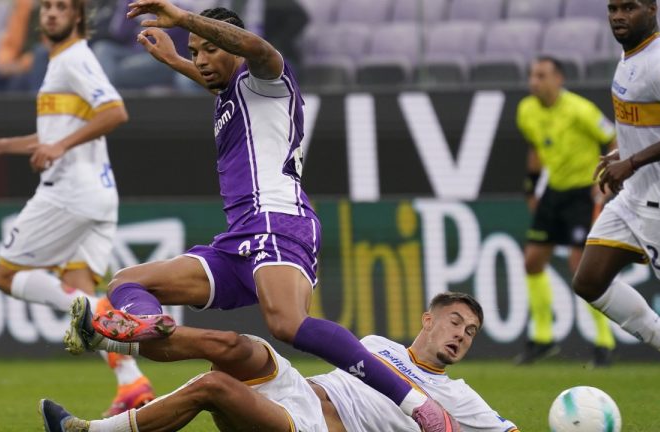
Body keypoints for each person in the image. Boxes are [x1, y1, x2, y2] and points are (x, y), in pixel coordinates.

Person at [69, 2, 458, 430]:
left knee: (287, 324)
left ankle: (419, 405)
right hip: (239, 238)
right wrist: (176, 60)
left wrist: (182, 19)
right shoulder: (232, 95)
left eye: (210, 49)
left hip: (278, 219)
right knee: (128, 281)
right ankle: (147, 324)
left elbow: (257, 49)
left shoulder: (269, 79)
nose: (201, 59)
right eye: (195, 51)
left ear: (234, 49)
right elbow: (216, 76)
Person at [0, 0, 154, 417]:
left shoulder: (74, 59)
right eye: (46, 6)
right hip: (98, 195)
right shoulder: (59, 62)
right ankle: (132, 383)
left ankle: (96, 313)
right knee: (78, 285)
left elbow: (115, 111)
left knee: (6, 276)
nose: (50, 13)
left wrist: (60, 146)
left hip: (69, 193)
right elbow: (53, 136)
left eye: (61, 6)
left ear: (77, 16)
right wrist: (1, 146)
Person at [41, 292, 518, 432]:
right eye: (455, 322)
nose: (461, 335)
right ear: (428, 320)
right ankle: (120, 339)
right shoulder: (377, 344)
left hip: (313, 427)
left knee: (213, 388)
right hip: (296, 388)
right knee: (232, 346)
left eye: (471, 332)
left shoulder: (460, 398)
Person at [573, 0, 660, 417]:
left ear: (652, 8)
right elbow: (648, 121)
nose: (618, 16)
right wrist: (624, 152)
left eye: (629, 8)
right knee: (589, 281)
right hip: (634, 197)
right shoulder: (631, 55)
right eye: (613, 8)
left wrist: (633, 162)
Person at [515, 56, 618, 366]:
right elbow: (536, 148)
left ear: (558, 79)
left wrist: (607, 179)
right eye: (532, 75)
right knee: (532, 261)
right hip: (553, 191)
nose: (534, 82)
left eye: (541, 76)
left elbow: (612, 137)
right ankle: (543, 338)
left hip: (582, 194)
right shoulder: (526, 110)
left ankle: (604, 342)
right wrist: (531, 186)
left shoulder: (580, 110)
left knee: (580, 266)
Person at [0, 0, 49, 92]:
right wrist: (4, 63)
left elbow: (48, 48)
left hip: (37, 66)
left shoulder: (54, 9)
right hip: (15, 65)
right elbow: (10, 42)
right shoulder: (23, 6)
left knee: (18, 82)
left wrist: (20, 66)